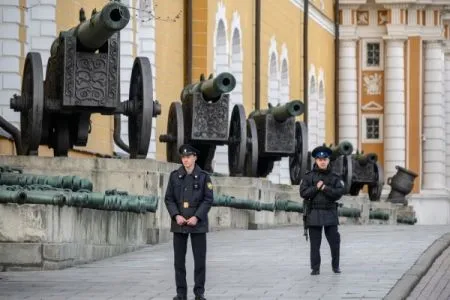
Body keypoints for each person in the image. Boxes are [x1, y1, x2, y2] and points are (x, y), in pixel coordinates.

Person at [164, 144, 213, 300]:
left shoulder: (204, 177)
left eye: (188, 157)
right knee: (179, 262)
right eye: (183, 157)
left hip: (198, 225)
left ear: (195, 158)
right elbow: (169, 199)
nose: (185, 160)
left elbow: (208, 199)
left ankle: (199, 293)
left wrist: (197, 217)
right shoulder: (174, 176)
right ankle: (181, 294)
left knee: (199, 262)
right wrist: (176, 215)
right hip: (179, 225)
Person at [300, 145, 345, 275]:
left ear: (328, 160)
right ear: (316, 161)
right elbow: (303, 193)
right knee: (315, 244)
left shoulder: (335, 177)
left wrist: (325, 188)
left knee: (334, 243)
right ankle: (315, 268)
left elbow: (339, 193)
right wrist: (316, 188)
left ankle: (335, 266)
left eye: (325, 159)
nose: (322, 161)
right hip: (314, 213)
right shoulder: (309, 176)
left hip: (330, 212)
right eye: (320, 159)